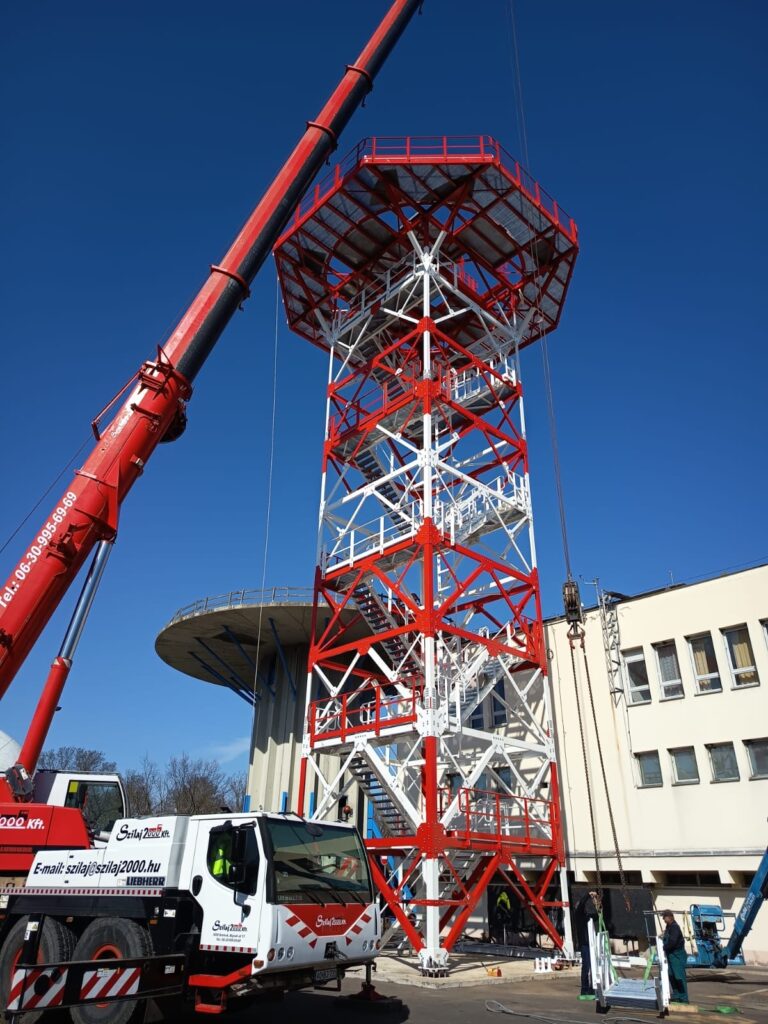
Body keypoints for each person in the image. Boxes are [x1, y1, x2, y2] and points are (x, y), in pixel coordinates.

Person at [574, 889, 600, 997]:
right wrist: (589, 895)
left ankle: (591, 988)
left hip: (591, 943)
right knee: (586, 967)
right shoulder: (578, 915)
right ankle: (584, 989)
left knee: (593, 967)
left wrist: (596, 901)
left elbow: (598, 915)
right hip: (585, 944)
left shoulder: (586, 916)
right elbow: (581, 904)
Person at [661, 910, 689, 1004]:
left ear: (670, 917)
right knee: (671, 975)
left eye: (664, 917)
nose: (663, 920)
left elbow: (673, 942)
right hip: (671, 955)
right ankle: (676, 995)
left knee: (679, 976)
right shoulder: (668, 927)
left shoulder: (675, 928)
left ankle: (684, 998)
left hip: (677, 955)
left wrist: (664, 947)